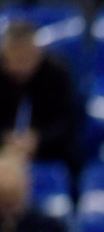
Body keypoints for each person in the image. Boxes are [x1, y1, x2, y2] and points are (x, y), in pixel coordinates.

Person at [0, 21, 76, 165]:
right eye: (15, 59)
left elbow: (67, 124)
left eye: (25, 59)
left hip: (49, 153)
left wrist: (37, 141)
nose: (20, 67)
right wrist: (6, 139)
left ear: (37, 53)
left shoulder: (57, 74)